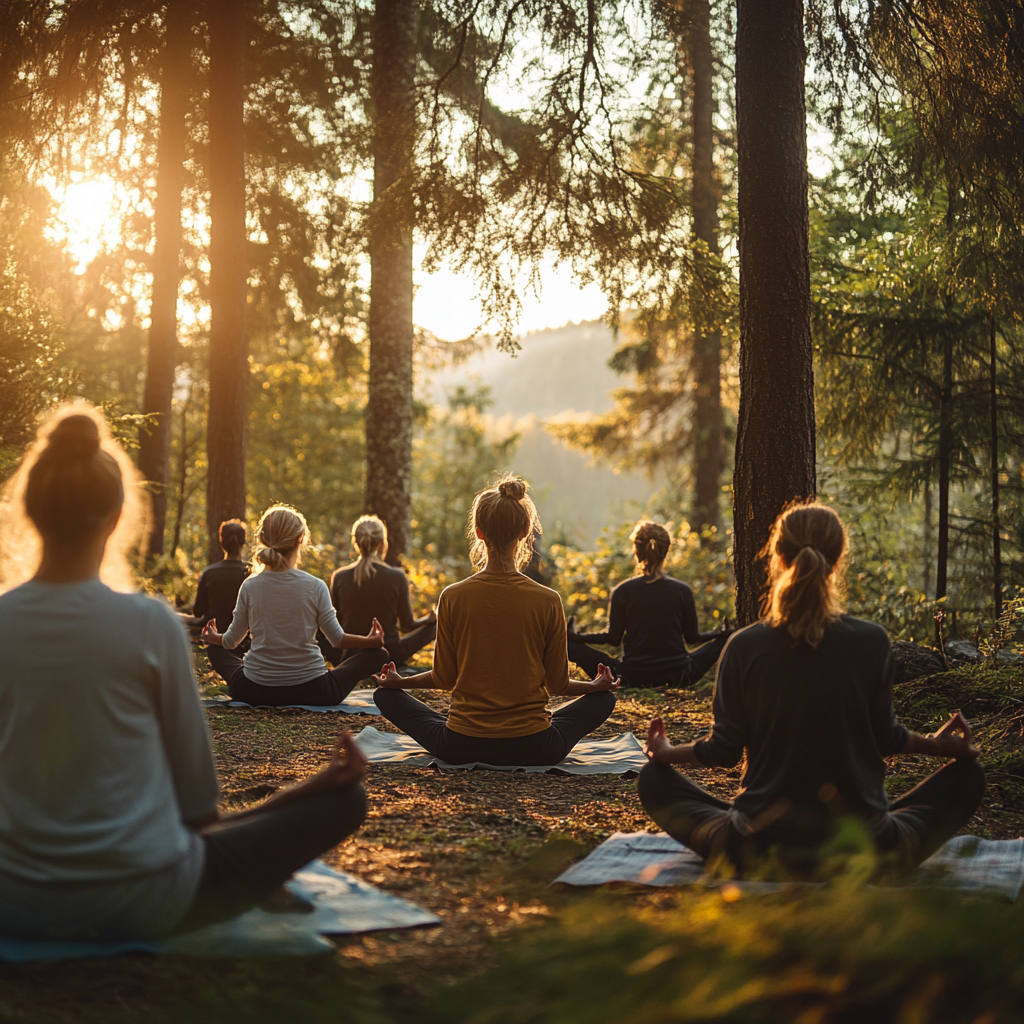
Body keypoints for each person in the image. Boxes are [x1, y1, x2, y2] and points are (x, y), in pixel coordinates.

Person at [0, 405, 368, 942]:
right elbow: (198, 816)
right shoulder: (150, 625)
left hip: (13, 902)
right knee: (348, 798)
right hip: (148, 900)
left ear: (30, 512)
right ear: (113, 518)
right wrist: (305, 792)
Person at [638, 502, 985, 877]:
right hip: (864, 846)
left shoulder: (743, 645)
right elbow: (886, 738)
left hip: (757, 848)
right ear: (837, 560)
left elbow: (723, 751)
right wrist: (939, 745)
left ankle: (761, 843)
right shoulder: (871, 640)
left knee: (654, 779)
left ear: (777, 556)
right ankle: (873, 853)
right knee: (968, 775)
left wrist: (666, 754)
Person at [372, 474, 620, 766]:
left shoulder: (452, 596)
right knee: (605, 700)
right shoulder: (548, 599)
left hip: (460, 745)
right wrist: (594, 687)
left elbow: (444, 678)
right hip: (537, 747)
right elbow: (556, 684)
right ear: (526, 530)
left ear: (479, 532)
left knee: (385, 696)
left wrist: (401, 682)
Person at [201, 505, 390, 707]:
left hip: (253, 690)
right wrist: (371, 641)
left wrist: (214, 638)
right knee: (380, 655)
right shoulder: (316, 586)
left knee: (215, 650)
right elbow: (337, 639)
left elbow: (230, 642)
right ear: (300, 539)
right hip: (316, 690)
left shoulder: (249, 586)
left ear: (263, 539)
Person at [566, 520, 732, 689]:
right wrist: (721, 634)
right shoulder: (682, 590)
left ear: (636, 552)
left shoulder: (623, 590)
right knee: (729, 638)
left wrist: (577, 637)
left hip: (631, 676)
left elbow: (613, 639)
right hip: (680, 674)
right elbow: (692, 638)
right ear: (665, 552)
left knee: (568, 645)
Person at [323, 515, 436, 669]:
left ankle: (343, 663)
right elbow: (407, 625)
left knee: (317, 625)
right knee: (437, 626)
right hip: (389, 655)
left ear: (356, 542)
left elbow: (334, 624)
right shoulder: (397, 576)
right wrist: (428, 619)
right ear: (382, 542)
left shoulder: (339, 576)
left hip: (349, 656)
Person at [180, 519, 249, 634]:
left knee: (174, 615)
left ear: (221, 541)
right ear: (243, 542)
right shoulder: (250, 572)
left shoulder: (209, 573)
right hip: (242, 633)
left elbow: (198, 612)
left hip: (212, 630)